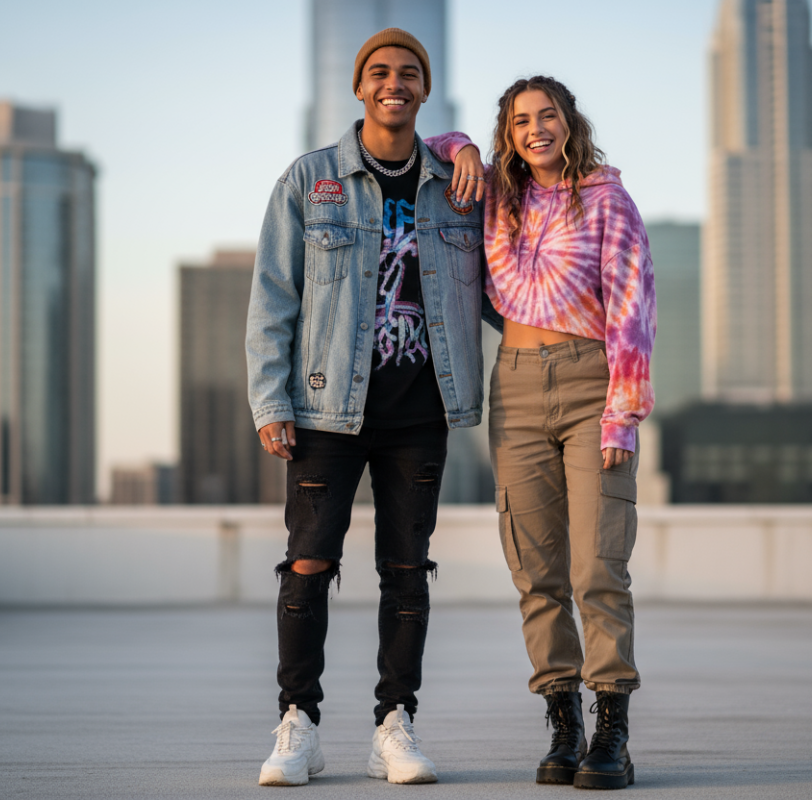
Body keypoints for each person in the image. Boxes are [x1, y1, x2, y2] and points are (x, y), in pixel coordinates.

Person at [246, 28, 486, 787]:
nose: (394, 83)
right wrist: (268, 399)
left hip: (421, 410)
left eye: (409, 73)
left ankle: (394, 723)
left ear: (423, 88)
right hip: (324, 409)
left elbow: (503, 279)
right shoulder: (310, 180)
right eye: (380, 72)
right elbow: (273, 297)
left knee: (407, 569)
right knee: (309, 564)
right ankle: (299, 723)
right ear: (359, 87)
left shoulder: (457, 184)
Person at [425, 76, 655, 790]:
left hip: (592, 380)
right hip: (516, 383)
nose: (535, 129)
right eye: (520, 120)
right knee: (535, 567)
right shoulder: (495, 192)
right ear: (508, 131)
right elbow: (427, 147)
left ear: (568, 122)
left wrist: (623, 410)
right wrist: (462, 146)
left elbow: (633, 305)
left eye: (547, 116)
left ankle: (612, 728)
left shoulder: (606, 198)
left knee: (598, 566)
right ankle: (563, 721)